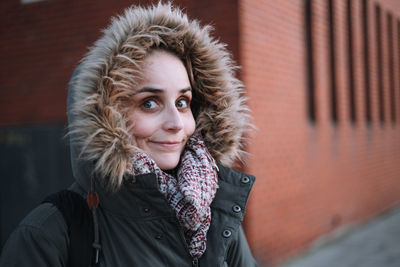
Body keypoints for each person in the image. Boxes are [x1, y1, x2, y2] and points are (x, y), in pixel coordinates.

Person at [0, 2, 256, 266]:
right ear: (107, 117)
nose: (176, 123)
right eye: (149, 103)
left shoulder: (213, 209)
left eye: (183, 102)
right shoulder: (47, 236)